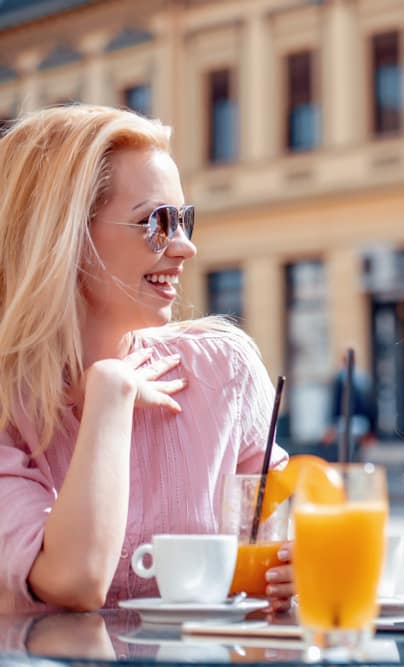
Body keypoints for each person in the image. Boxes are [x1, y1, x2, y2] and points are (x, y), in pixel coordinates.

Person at [0, 105, 293, 613]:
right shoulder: (10, 405)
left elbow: (280, 531)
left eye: (184, 220)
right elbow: (73, 579)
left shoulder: (223, 369)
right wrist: (110, 394)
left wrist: (294, 569)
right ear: (65, 237)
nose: (185, 247)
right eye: (156, 221)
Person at [321, 351, 378, 460]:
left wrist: (330, 427)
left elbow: (335, 404)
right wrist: (372, 430)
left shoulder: (339, 378)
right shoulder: (364, 378)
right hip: (362, 424)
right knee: (357, 456)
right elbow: (371, 406)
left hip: (343, 424)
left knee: (343, 456)